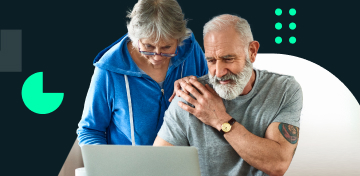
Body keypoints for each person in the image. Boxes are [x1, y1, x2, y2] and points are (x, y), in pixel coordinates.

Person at [154, 14, 302, 176]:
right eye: (211, 60)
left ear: (252, 51)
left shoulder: (283, 90)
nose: (219, 72)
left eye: (228, 59)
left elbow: (278, 164)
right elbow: (157, 166)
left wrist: (221, 120)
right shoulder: (189, 97)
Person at [77, 0, 208, 146]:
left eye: (167, 47)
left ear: (179, 39)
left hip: (184, 163)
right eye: (148, 46)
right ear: (135, 37)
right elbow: (90, 130)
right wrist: (108, 166)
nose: (157, 56)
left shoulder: (191, 50)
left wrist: (201, 85)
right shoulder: (108, 69)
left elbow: (217, 99)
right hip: (128, 166)